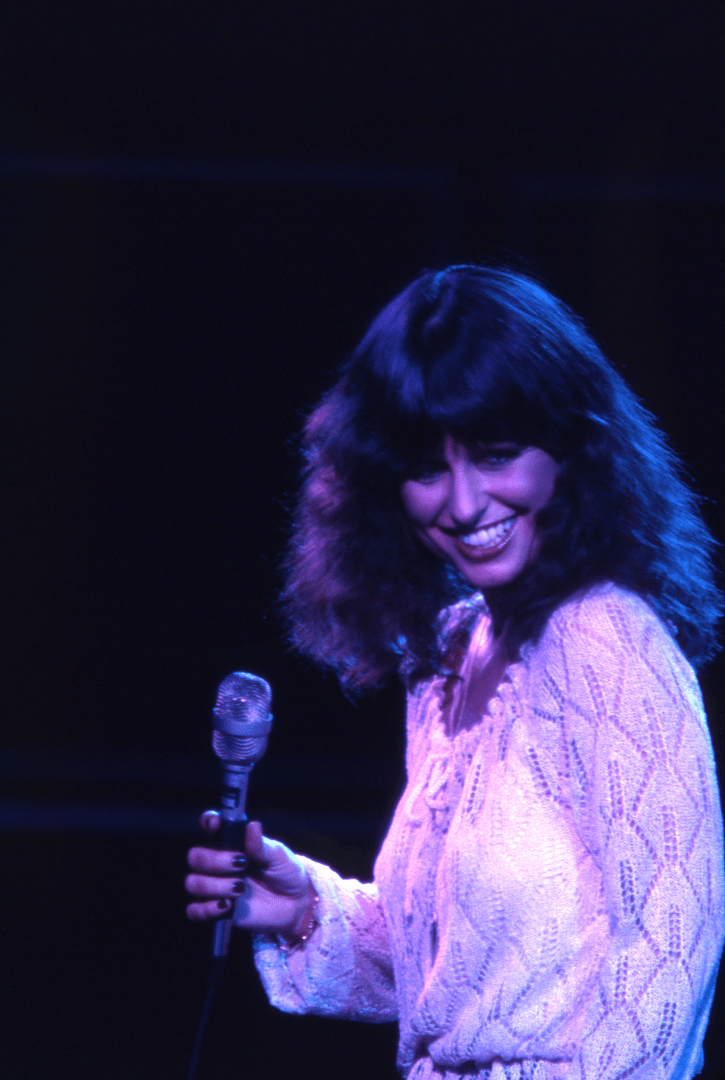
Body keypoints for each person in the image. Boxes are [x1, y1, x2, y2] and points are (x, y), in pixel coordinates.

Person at [185, 266, 725, 1080]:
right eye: (427, 470)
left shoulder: (602, 637)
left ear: (572, 449)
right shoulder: (446, 655)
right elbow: (460, 981)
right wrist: (303, 910)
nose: (465, 504)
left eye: (497, 455)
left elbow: (668, 952)